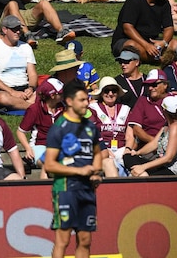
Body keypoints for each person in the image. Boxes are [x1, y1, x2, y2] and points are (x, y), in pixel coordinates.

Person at [44, 80, 103, 258]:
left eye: (87, 99)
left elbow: (98, 153)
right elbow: (50, 165)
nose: (87, 103)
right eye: (82, 100)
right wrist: (80, 171)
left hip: (87, 190)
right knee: (63, 240)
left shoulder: (90, 127)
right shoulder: (58, 128)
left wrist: (97, 172)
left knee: (85, 240)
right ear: (69, 101)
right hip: (65, 189)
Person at [111, 0, 176, 63]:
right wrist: (146, 45)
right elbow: (127, 28)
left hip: (152, 40)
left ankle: (157, 57)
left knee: (175, 44)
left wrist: (163, 42)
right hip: (128, 40)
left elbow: (169, 27)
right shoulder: (135, 0)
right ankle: (161, 60)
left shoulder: (164, 3)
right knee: (132, 46)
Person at [124, 95, 177, 176]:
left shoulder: (176, 127)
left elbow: (169, 158)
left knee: (139, 169)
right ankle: (143, 175)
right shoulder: (167, 125)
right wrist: (137, 152)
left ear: (163, 110)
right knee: (128, 157)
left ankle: (144, 178)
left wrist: (143, 167)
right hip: (166, 167)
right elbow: (154, 143)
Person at [0, 15, 38, 110]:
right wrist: (12, 92)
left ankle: (22, 104)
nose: (18, 32)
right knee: (3, 98)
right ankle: (32, 107)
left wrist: (31, 88)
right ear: (5, 30)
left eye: (19, 29)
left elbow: (32, 74)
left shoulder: (26, 47)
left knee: (46, 91)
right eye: (14, 29)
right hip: (4, 88)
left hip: (24, 87)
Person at [16, 78, 65, 178]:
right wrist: (28, 149)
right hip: (39, 146)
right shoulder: (34, 109)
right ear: (52, 95)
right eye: (61, 92)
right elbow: (20, 132)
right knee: (48, 164)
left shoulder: (63, 107)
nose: (64, 94)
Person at [88, 77, 130, 177]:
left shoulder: (125, 109)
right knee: (112, 165)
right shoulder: (93, 108)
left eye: (114, 90)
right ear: (101, 93)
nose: (110, 94)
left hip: (122, 150)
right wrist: (104, 149)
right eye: (106, 90)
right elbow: (91, 134)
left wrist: (128, 149)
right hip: (102, 150)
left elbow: (130, 135)